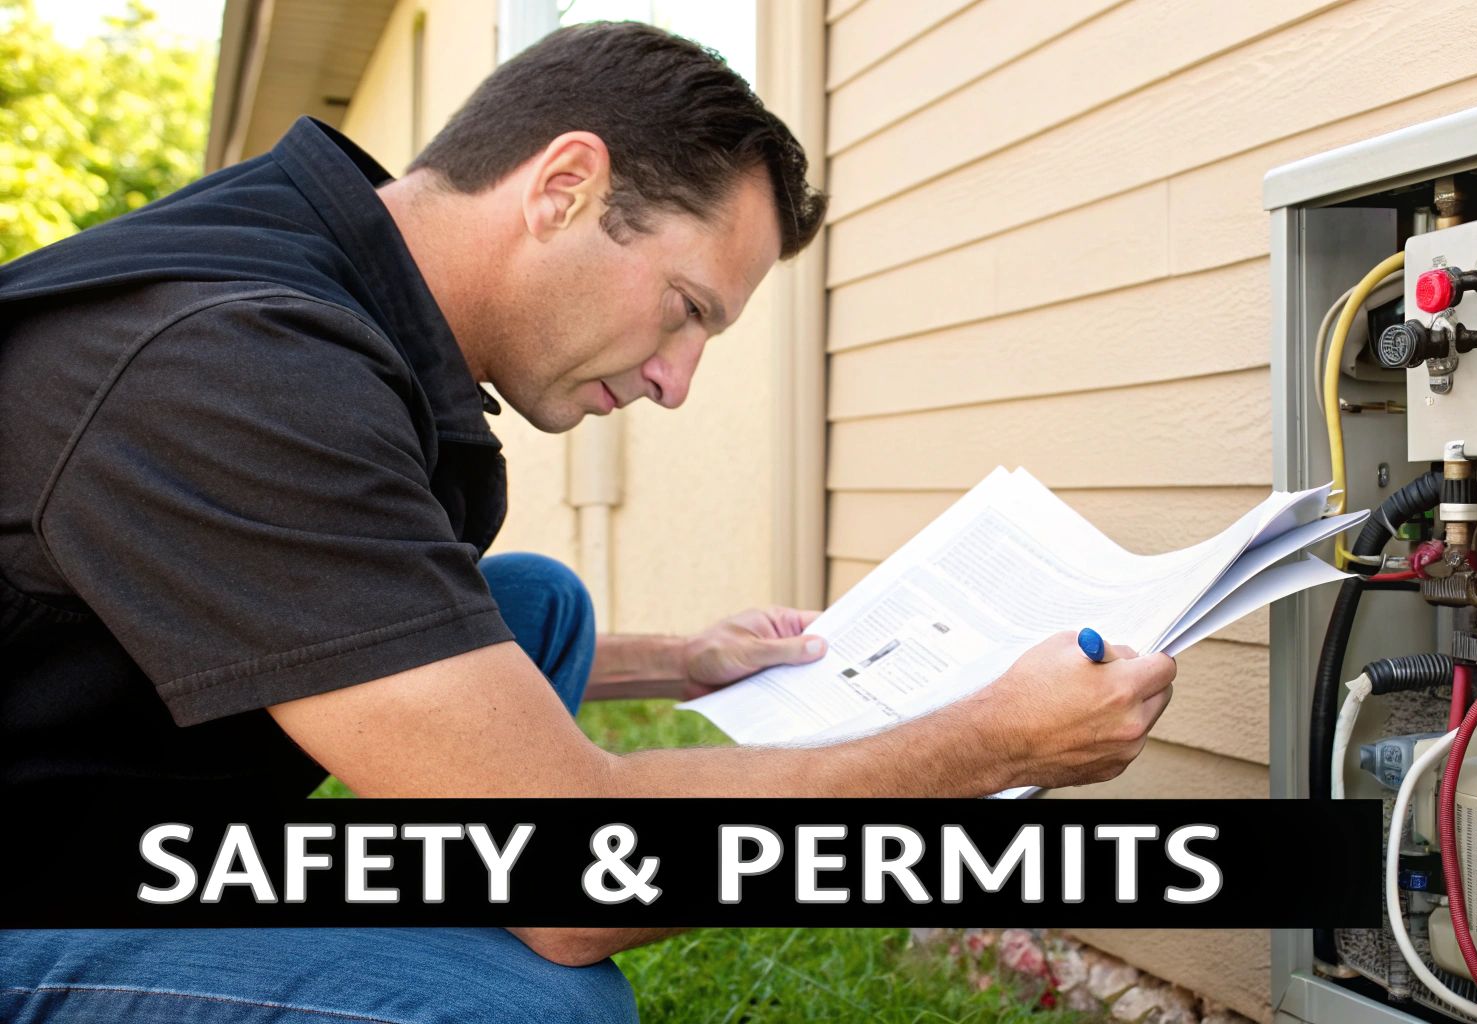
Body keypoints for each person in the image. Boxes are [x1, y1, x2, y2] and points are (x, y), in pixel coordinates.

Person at [0, 21, 1176, 1023]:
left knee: (537, 610)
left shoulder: (320, 277)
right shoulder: (237, 364)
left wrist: (688, 661)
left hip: (99, 772)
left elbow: (336, 617)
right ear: (563, 188)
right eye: (683, 310)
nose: (676, 381)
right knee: (532, 1002)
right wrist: (989, 748)